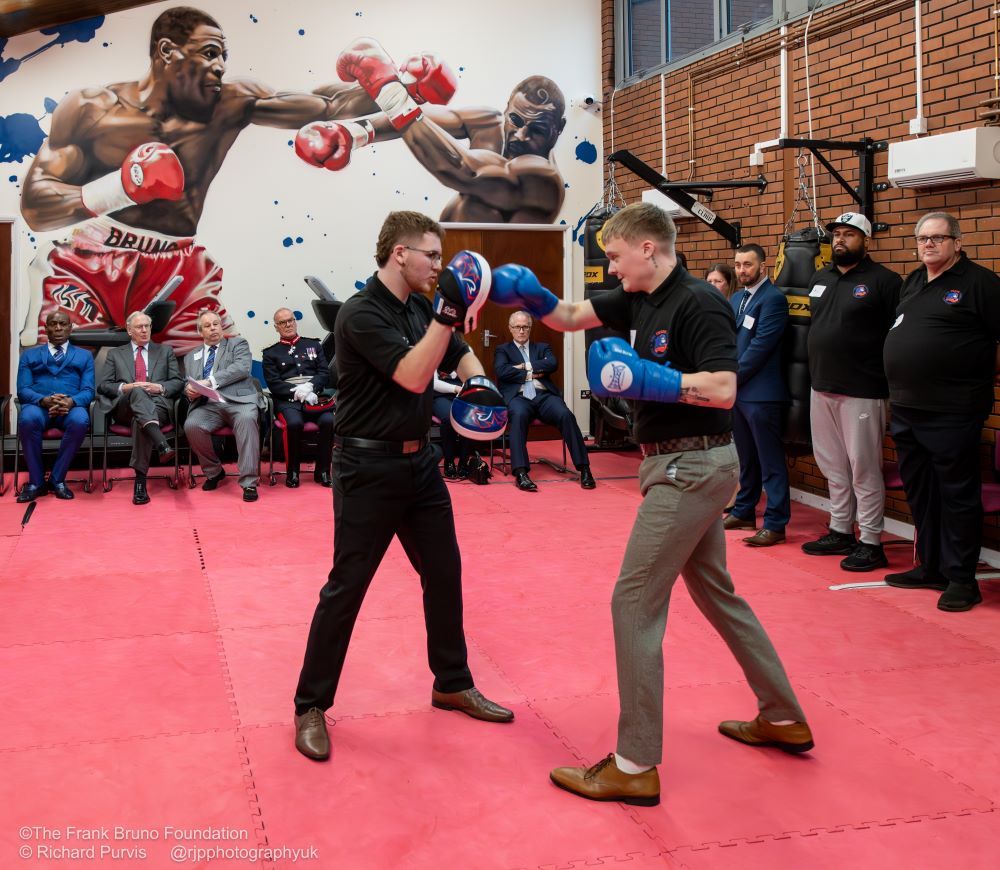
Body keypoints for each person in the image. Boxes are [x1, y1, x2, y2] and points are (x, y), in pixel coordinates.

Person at [488, 203, 810, 806]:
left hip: (693, 466)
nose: (608, 267)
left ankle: (635, 764)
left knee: (633, 601)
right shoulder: (634, 297)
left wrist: (650, 379)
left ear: (649, 250)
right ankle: (783, 716)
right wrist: (528, 295)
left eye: (614, 255)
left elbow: (723, 388)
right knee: (717, 592)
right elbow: (567, 314)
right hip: (677, 464)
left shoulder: (697, 302)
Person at [18, 7, 446, 352]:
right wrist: (121, 187)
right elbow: (37, 204)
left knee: (217, 361)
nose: (221, 66)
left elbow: (324, 106)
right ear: (167, 51)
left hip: (179, 265)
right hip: (93, 259)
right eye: (209, 53)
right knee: (64, 360)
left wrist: (399, 85)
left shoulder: (230, 103)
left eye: (224, 55)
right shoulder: (93, 108)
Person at [292, 211, 512, 762]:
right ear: (399, 254)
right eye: (431, 255)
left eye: (440, 258)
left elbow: (458, 352)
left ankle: (452, 682)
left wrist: (478, 380)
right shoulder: (359, 315)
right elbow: (414, 375)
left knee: (445, 573)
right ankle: (310, 706)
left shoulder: (420, 306)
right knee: (347, 587)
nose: (439, 266)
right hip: (366, 470)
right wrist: (445, 315)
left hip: (421, 465)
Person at [307, 39, 566, 223]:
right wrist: (356, 132)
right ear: (507, 108)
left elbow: (465, 171)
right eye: (516, 121)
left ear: (558, 129)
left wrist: (390, 93)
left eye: (538, 130)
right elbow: (429, 121)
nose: (521, 135)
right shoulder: (490, 123)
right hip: (453, 281)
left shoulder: (541, 178)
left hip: (495, 295)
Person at [883, 212, 1000, 612]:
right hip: (906, 407)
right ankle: (930, 565)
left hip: (953, 410)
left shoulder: (980, 283)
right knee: (922, 493)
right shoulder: (914, 281)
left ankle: (963, 579)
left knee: (957, 495)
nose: (928, 244)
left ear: (957, 242)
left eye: (937, 238)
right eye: (922, 238)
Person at [802, 213, 902, 571]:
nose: (840, 240)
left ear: (866, 240)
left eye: (849, 234)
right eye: (837, 235)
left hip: (863, 388)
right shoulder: (820, 278)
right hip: (822, 385)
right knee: (832, 465)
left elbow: (898, 336)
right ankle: (841, 529)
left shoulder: (885, 281)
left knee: (864, 467)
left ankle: (871, 541)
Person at [723, 243, 791, 547]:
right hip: (739, 393)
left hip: (763, 393)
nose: (741, 271)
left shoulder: (773, 299)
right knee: (746, 458)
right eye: (738, 265)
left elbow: (762, 346)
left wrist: (730, 377)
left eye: (747, 265)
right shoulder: (737, 298)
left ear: (762, 266)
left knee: (770, 461)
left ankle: (776, 523)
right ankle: (744, 510)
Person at [494, 310, 595, 491]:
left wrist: (524, 367)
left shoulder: (542, 348)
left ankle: (584, 468)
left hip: (544, 396)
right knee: (518, 416)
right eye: (517, 327)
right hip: (519, 397)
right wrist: (535, 370)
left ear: (530, 328)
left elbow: (552, 364)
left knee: (566, 415)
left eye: (525, 326)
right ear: (510, 329)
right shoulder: (503, 350)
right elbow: (502, 371)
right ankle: (521, 473)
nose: (522, 331)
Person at [96, 311, 184, 505]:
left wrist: (160, 387)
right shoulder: (115, 354)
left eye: (147, 326)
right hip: (125, 407)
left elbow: (178, 382)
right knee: (137, 391)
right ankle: (161, 443)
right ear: (129, 330)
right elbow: (103, 385)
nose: (144, 330)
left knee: (141, 420)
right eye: (139, 327)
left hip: (158, 406)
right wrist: (125, 387)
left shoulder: (165, 351)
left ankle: (141, 482)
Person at [182, 311, 266, 502]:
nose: (213, 328)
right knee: (192, 426)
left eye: (216, 324)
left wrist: (209, 382)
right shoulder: (190, 356)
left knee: (246, 419)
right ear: (200, 331)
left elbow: (241, 368)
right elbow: (190, 382)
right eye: (208, 326)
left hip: (239, 401)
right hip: (209, 405)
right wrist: (189, 390)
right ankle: (214, 472)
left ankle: (249, 483)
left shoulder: (238, 344)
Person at [15, 310, 94, 502]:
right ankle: (36, 482)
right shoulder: (29, 355)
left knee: (81, 419)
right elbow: (23, 389)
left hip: (70, 408)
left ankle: (57, 479)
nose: (58, 328)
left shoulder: (84, 356)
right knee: (27, 418)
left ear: (70, 327)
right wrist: (43, 400)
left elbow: (89, 390)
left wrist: (71, 401)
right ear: (46, 328)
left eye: (62, 324)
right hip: (39, 407)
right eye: (53, 324)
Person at [262, 307, 333, 488]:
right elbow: (274, 383)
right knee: (294, 424)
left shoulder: (313, 345)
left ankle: (323, 471)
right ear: (276, 327)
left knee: (328, 421)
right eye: (283, 322)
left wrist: (310, 387)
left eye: (291, 320)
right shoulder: (271, 353)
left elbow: (324, 373)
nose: (288, 325)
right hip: (288, 402)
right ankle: (292, 472)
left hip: (314, 398)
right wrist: (297, 391)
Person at [432, 371, 477, 479]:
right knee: (449, 417)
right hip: (439, 396)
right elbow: (433, 382)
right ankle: (449, 461)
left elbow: (473, 377)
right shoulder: (434, 354)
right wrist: (455, 388)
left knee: (467, 417)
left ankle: (463, 462)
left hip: (463, 395)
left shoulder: (465, 353)